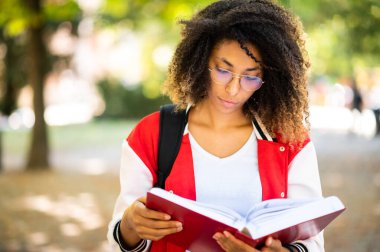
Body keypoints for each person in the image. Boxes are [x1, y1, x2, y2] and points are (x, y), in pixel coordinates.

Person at [107, 0, 324, 251]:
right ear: (200, 60)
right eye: (223, 70)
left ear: (268, 78)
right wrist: (131, 226)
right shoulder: (151, 134)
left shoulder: (291, 142)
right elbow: (119, 242)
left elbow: (312, 242)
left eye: (251, 77)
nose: (233, 89)